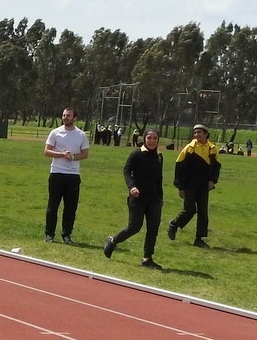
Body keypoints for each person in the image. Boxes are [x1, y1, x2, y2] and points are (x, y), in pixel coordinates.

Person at [103, 129, 164, 269]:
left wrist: (160, 197)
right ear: (144, 139)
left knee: (153, 228)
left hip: (154, 198)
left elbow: (159, 178)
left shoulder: (159, 156)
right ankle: (113, 241)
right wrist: (131, 187)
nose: (152, 140)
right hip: (138, 197)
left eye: (155, 138)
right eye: (149, 138)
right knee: (134, 227)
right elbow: (126, 170)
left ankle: (147, 258)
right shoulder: (137, 153)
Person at [166, 124, 221, 248]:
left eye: (199, 132)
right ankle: (174, 224)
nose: (196, 135)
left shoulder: (212, 148)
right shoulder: (190, 148)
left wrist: (212, 180)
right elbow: (179, 166)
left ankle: (199, 239)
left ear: (206, 134)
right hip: (190, 185)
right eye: (195, 133)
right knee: (190, 209)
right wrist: (180, 186)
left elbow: (217, 166)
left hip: (203, 186)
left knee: (203, 212)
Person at [43, 107, 90, 244]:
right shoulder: (55, 133)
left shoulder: (81, 135)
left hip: (73, 175)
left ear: (74, 118)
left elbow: (85, 154)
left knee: (70, 208)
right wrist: (61, 155)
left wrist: (73, 157)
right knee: (53, 206)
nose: (65, 117)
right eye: (64, 115)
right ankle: (49, 234)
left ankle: (66, 235)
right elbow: (47, 151)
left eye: (68, 115)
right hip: (57, 173)